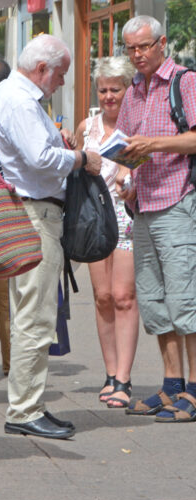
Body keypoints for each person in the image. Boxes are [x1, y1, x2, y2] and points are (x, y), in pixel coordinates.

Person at [0, 34, 102, 441]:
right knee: (34, 317)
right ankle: (25, 408)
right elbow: (38, 159)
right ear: (42, 70)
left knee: (29, 314)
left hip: (31, 210)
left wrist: (58, 140)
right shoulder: (18, 99)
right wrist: (80, 157)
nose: (63, 83)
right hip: (35, 214)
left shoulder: (10, 95)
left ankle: (28, 404)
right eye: (61, 74)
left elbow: (33, 151)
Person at [116, 15, 196, 421]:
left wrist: (157, 142)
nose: (137, 54)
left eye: (144, 46)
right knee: (154, 301)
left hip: (178, 202)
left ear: (162, 42)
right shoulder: (133, 89)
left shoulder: (184, 81)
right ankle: (171, 386)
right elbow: (130, 146)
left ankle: (195, 390)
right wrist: (126, 174)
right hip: (143, 204)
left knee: (186, 300)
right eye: (131, 48)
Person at [74, 55, 139, 409]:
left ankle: (125, 378)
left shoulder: (138, 125)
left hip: (127, 214)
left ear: (128, 89)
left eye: (116, 89)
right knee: (101, 297)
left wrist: (133, 181)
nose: (109, 95)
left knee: (123, 296)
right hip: (94, 218)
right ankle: (111, 372)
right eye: (103, 89)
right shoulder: (88, 126)